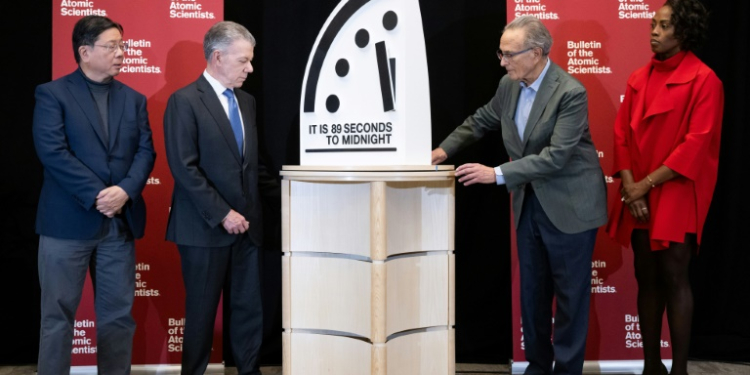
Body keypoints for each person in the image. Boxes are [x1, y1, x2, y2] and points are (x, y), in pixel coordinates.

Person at [432, 15, 607, 374]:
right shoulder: (508, 85)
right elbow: (481, 120)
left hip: (571, 206)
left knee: (572, 300)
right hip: (529, 204)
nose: (502, 61)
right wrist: (443, 151)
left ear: (538, 53)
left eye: (509, 54)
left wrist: (495, 174)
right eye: (501, 53)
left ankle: (568, 370)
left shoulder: (570, 92)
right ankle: (537, 367)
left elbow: (556, 156)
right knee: (533, 296)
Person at [32, 15, 156, 374]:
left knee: (118, 319)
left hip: (119, 226)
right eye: (112, 46)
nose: (121, 53)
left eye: (123, 45)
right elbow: (52, 152)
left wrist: (125, 191)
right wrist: (100, 194)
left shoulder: (133, 99)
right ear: (85, 52)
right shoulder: (52, 93)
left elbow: (146, 152)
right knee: (57, 319)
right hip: (65, 225)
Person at [605, 1, 723, 374]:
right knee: (647, 276)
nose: (654, 31)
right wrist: (630, 188)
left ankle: (680, 369)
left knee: (674, 276)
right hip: (638, 189)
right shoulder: (638, 78)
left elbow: (696, 143)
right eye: (653, 24)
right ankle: (651, 365)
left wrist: (644, 186)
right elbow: (621, 134)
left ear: (684, 32)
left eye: (664, 25)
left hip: (676, 189)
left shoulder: (706, 80)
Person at [163, 21, 278, 375]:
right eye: (243, 61)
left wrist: (290, 195)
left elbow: (253, 166)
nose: (250, 68)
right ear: (217, 57)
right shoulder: (184, 101)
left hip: (247, 228)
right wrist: (223, 213)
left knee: (248, 310)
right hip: (204, 228)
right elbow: (185, 169)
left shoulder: (247, 102)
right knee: (200, 312)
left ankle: (249, 370)